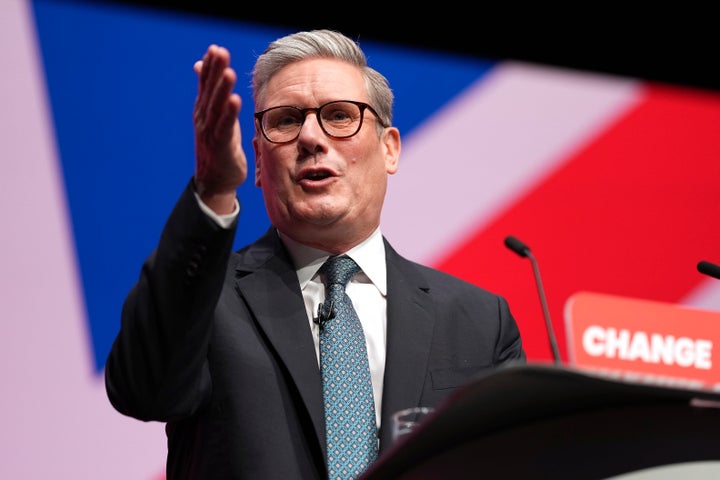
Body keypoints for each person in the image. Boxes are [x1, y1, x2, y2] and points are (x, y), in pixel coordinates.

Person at [105, 29, 526, 480]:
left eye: (340, 116)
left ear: (389, 149)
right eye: (285, 121)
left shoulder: (479, 322)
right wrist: (212, 189)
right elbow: (142, 390)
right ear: (259, 163)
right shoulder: (208, 302)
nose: (310, 137)